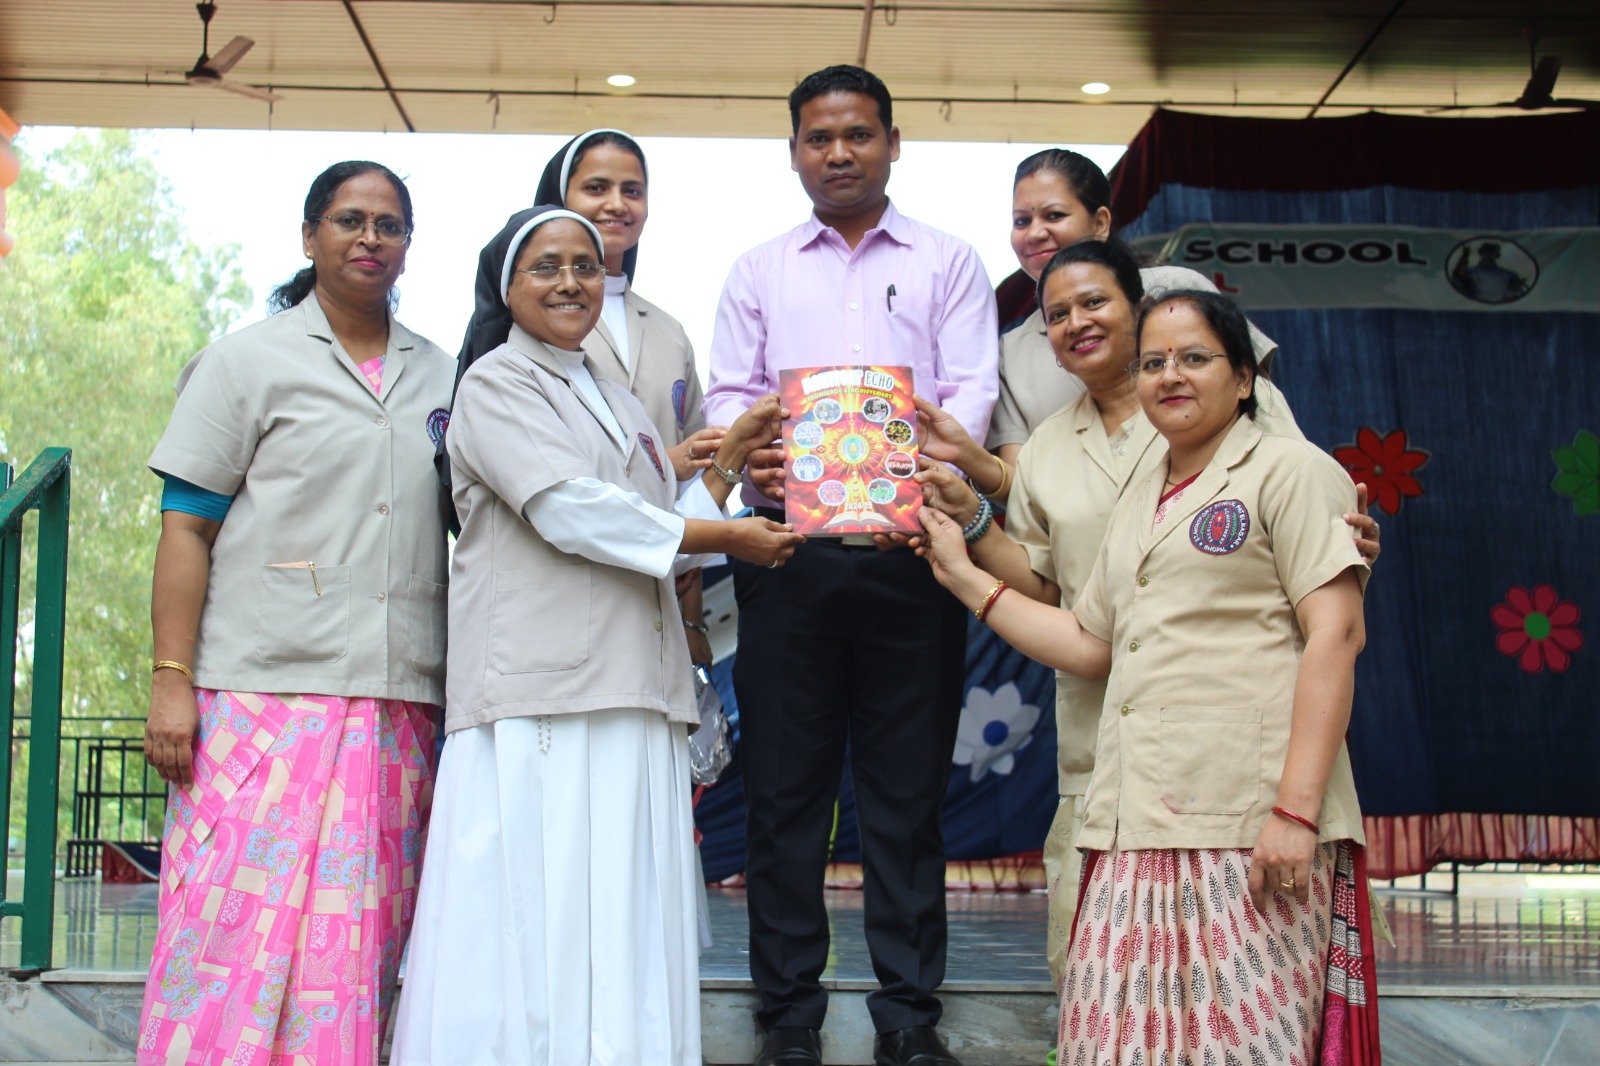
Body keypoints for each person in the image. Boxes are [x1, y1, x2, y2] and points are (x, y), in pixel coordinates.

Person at [918, 288, 1379, 1066]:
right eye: (1154, 362)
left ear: (1244, 378)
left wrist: (1296, 815)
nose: (1170, 375)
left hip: (1249, 823)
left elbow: (1337, 635)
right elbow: (1089, 641)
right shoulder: (1141, 493)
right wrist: (967, 579)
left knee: (1246, 1051)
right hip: (1132, 821)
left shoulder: (1293, 470)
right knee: (1112, 1044)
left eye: (1194, 358)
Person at [389, 206, 803, 1066]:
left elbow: (658, 531)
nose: (571, 281)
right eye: (546, 266)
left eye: (585, 265)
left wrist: (729, 465)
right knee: (542, 917)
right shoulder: (495, 384)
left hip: (634, 689)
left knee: (623, 918)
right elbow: (573, 512)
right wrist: (730, 538)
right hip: (546, 691)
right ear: (506, 288)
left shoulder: (618, 400)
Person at [703, 65, 998, 1066]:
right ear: (794, 151)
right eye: (819, 137)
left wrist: (912, 471)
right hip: (786, 554)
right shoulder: (757, 270)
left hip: (914, 556)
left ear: (892, 143)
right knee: (785, 793)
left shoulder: (948, 261)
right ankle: (787, 1016)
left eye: (858, 134)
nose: (839, 152)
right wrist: (755, 451)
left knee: (906, 795)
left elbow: (971, 392)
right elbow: (728, 397)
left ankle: (908, 1016)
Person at [138, 161, 452, 1065]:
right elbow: (186, 529)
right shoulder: (246, 362)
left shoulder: (445, 376)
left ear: (408, 246)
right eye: (348, 220)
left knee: (356, 951)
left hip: (396, 701)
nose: (369, 238)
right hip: (259, 697)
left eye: (388, 224)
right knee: (222, 937)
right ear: (309, 235)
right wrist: (170, 680)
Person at [533, 128, 726, 670]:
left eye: (632, 190)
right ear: (559, 199)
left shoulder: (668, 331)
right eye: (596, 187)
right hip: (569, 592)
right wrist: (664, 461)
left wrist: (694, 620)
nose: (617, 204)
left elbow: (696, 484)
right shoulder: (529, 323)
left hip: (667, 595)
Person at [984, 149, 1282, 482]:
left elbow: (1263, 408)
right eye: (1022, 221)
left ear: (1100, 223)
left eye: (1054, 215)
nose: (1035, 233)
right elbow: (1025, 486)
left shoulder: (1178, 288)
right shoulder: (1011, 352)